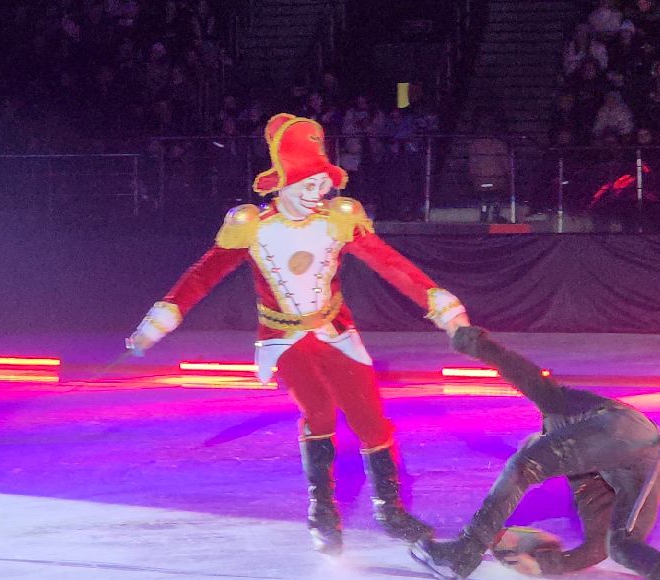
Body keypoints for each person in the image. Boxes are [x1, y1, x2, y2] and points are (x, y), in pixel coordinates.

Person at [126, 113, 471, 554]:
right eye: (308, 183)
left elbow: (392, 265)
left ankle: (390, 510)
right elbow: (202, 276)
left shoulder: (338, 220)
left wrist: (441, 306)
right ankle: (322, 510)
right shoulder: (252, 227)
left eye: (322, 182)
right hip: (284, 338)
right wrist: (157, 323)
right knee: (319, 413)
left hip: (336, 329)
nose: (318, 192)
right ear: (283, 182)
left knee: (369, 417)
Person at [410, 326, 660, 580]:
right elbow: (596, 548)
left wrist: (477, 344)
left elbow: (527, 376)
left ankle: (464, 551)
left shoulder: (558, 411)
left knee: (522, 465)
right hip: (652, 458)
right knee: (620, 544)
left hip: (623, 429)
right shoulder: (584, 474)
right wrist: (545, 565)